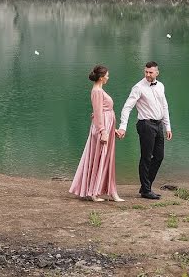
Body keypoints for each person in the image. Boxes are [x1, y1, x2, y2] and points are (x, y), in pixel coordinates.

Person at [115, 61, 172, 200]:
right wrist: (123, 126)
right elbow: (127, 107)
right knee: (146, 157)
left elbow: (164, 106)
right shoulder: (138, 87)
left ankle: (145, 186)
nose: (147, 74)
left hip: (158, 125)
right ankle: (146, 190)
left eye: (150, 72)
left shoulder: (161, 86)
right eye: (146, 72)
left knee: (159, 156)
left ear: (157, 73)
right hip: (145, 125)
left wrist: (167, 126)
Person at [70, 65, 124, 202]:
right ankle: (94, 192)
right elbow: (98, 113)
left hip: (107, 126)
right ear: (101, 78)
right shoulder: (97, 91)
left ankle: (109, 191)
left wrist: (113, 129)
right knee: (99, 158)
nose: (108, 77)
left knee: (106, 159)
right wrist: (103, 131)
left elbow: (99, 111)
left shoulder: (99, 90)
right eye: (107, 75)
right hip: (102, 128)